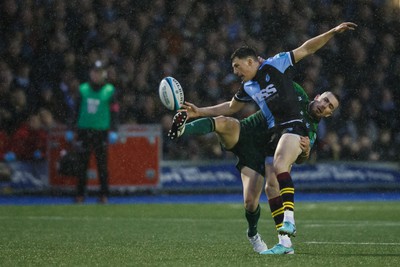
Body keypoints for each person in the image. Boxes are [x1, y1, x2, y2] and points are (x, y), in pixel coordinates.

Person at [168, 21, 354, 253]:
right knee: (226, 124)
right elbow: (231, 106)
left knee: (255, 197)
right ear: (315, 97)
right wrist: (199, 110)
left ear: (250, 61)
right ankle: (184, 128)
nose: (235, 72)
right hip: (252, 131)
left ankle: (272, 238)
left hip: (272, 141)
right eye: (324, 100)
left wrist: (305, 152)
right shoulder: (278, 90)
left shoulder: (305, 121)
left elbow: (306, 49)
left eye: (237, 66)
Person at [65, 60, 119, 204]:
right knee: (82, 165)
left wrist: (114, 130)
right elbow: (75, 111)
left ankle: (103, 195)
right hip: (84, 130)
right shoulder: (82, 90)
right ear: (91, 73)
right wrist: (70, 128)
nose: (97, 75)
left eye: (99, 72)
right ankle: (80, 194)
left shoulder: (109, 91)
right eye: (95, 72)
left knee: (102, 165)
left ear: (104, 74)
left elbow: (114, 112)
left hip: (101, 131)